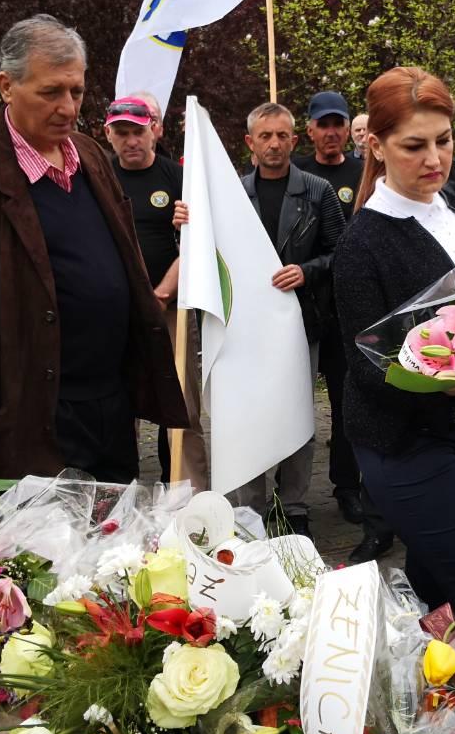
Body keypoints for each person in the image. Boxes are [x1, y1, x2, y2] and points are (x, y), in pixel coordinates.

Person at [0, 14, 188, 504]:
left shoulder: (90, 156)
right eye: (50, 92)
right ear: (6, 86)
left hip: (110, 405)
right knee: (48, 566)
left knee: (113, 555)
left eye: (76, 92)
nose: (67, 108)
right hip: (31, 416)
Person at [334, 66, 455, 614]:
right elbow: (367, 366)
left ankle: (425, 686)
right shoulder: (362, 242)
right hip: (406, 441)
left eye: (444, 140)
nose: (434, 158)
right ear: (377, 145)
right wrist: (451, 383)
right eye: (414, 145)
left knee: (437, 581)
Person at [230, 102, 345, 535]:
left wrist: (307, 271)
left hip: (302, 323)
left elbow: (341, 252)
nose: (274, 143)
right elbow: (213, 253)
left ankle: (294, 506)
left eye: (282, 135)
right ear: (250, 143)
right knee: (250, 415)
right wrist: (184, 222)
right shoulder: (235, 194)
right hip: (247, 327)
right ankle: (251, 508)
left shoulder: (317, 192)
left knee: (299, 416)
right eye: (265, 136)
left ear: (295, 140)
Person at [103, 94, 209, 490]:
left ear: (156, 131)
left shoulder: (177, 177)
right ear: (108, 135)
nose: (131, 140)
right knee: (115, 406)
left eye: (138, 131)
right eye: (122, 133)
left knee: (181, 407)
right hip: (116, 311)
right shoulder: (100, 177)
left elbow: (197, 245)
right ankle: (115, 495)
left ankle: (189, 499)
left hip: (171, 310)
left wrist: (161, 292)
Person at [292, 92, 366, 534]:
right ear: (311, 130)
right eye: (324, 124)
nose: (332, 131)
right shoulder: (295, 174)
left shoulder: (363, 172)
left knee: (345, 403)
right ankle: (289, 493)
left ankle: (347, 486)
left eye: (339, 123)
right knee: (294, 402)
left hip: (350, 310)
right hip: (302, 309)